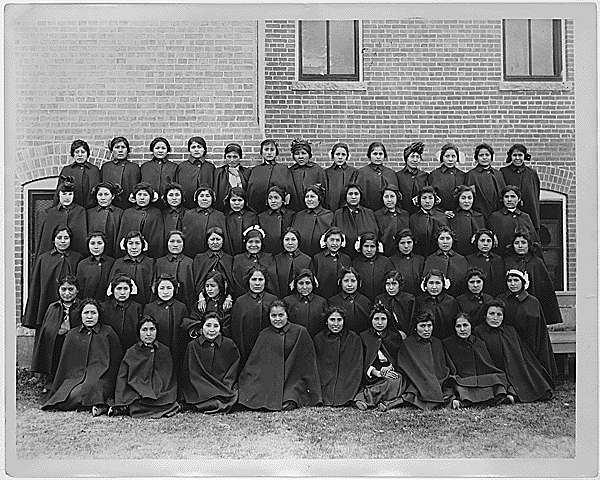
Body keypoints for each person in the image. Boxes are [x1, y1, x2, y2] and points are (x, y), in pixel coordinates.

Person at [42, 298, 123, 416]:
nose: (89, 316)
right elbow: (64, 367)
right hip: (75, 379)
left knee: (90, 389)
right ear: (81, 315)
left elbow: (117, 361)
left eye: (93, 313)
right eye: (86, 313)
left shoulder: (108, 332)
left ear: (99, 315)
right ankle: (97, 405)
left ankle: (100, 405)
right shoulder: (72, 335)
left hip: (101, 379)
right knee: (66, 399)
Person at [238, 300, 322, 411]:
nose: (277, 319)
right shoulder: (264, 334)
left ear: (287, 315)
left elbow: (306, 363)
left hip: (294, 377)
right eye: (273, 315)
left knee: (292, 393)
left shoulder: (300, 332)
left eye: (281, 315)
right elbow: (256, 363)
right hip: (270, 378)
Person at [474, 299, 554, 403]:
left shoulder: (510, 331)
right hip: (491, 369)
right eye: (491, 314)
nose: (495, 318)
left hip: (511, 369)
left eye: (499, 315)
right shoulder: (478, 331)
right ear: (485, 315)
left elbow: (521, 356)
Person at [111, 315, 180, 418]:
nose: (148, 334)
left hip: (159, 391)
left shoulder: (164, 350)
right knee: (136, 403)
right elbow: (123, 377)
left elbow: (169, 377)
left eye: (152, 329)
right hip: (138, 392)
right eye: (144, 330)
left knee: (166, 401)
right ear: (139, 332)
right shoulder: (131, 352)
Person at [442, 313, 514, 407]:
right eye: (458, 326)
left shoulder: (478, 342)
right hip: (462, 379)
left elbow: (488, 365)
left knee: (496, 378)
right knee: (456, 385)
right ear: (454, 328)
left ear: (471, 326)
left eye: (465, 325)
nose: (462, 329)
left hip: (481, 377)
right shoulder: (447, 343)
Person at [498, 269, 558, 378]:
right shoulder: (501, 299)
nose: (512, 284)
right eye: (509, 280)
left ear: (523, 282)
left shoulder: (533, 301)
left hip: (530, 344)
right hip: (508, 344)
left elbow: (539, 328)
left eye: (516, 280)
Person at [22, 225, 83, 331]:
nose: (63, 241)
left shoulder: (77, 258)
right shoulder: (44, 259)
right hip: (48, 307)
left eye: (66, 238)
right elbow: (36, 287)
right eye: (59, 238)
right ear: (53, 240)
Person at [30, 275, 83, 392]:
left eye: (71, 289)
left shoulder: (81, 307)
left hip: (74, 343)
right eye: (63, 289)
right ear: (58, 290)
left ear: (77, 290)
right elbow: (48, 329)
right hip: (57, 342)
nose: (67, 293)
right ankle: (51, 382)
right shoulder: (53, 307)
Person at [396, 310, 457, 410]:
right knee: (415, 392)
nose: (427, 330)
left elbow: (443, 365)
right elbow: (405, 366)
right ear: (416, 327)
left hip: (438, 380)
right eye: (422, 326)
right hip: (417, 380)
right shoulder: (408, 344)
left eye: (429, 325)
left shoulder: (437, 343)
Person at [181, 311, 240, 413]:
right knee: (210, 401)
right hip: (200, 387)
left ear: (220, 328)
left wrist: (227, 383)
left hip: (223, 385)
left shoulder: (229, 344)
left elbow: (234, 368)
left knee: (230, 397)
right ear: (202, 327)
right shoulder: (193, 346)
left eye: (216, 326)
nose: (212, 330)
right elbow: (190, 373)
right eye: (208, 325)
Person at [353, 303, 405, 412]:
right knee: (383, 383)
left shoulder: (394, 337)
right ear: (371, 320)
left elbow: (399, 358)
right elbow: (362, 360)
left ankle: (368, 399)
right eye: (376, 319)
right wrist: (377, 372)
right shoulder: (364, 336)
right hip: (372, 374)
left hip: (389, 371)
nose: (380, 323)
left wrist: (390, 367)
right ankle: (375, 400)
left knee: (396, 380)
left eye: (383, 319)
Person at [504, 231, 563, 326]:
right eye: (516, 243)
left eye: (523, 243)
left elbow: (544, 288)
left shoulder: (536, 262)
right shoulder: (507, 262)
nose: (520, 246)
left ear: (529, 244)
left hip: (531, 307)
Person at [143, 273, 192, 384]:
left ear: (174, 289)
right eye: (162, 288)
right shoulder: (149, 308)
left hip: (177, 348)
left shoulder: (181, 307)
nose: (165, 292)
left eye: (169, 288)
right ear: (156, 290)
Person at [313, 306, 364, 407]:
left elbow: (356, 366)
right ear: (326, 321)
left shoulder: (354, 338)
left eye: (339, 320)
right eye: (332, 320)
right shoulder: (318, 338)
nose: (336, 324)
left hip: (346, 382)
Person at [230, 265, 278, 367]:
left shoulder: (272, 300)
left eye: (260, 279)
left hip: (269, 349)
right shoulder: (240, 302)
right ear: (248, 281)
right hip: (247, 351)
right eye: (254, 279)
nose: (257, 283)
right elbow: (236, 332)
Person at [38, 179, 88, 257]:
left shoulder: (80, 211)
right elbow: (46, 241)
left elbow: (81, 239)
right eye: (64, 194)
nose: (67, 197)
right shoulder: (51, 213)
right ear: (59, 194)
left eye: (70, 194)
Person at [117, 182, 165, 259]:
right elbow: (123, 234)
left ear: (151, 197)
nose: (142, 198)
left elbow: (157, 238)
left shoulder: (156, 213)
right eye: (139, 195)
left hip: (149, 255)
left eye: (145, 195)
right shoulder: (128, 212)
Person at [488, 185, 539, 256]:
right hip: (502, 257)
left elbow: (533, 239)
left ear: (518, 199)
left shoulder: (525, 217)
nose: (509, 200)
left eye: (513, 196)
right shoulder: (495, 217)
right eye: (506, 197)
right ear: (502, 199)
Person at [246, 139, 294, 214]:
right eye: (266, 149)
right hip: (259, 210)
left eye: (272, 150)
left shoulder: (283, 169)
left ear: (276, 152)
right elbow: (251, 190)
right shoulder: (255, 170)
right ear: (261, 152)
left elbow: (289, 188)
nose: (269, 153)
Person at [500, 143, 541, 232]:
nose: (517, 158)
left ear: (524, 156)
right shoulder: (503, 172)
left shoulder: (531, 173)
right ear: (510, 156)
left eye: (520, 155)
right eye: (515, 155)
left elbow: (535, 195)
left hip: (529, 213)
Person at [333, 183, 379, 259]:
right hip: (345, 256)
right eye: (350, 194)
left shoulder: (369, 213)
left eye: (356, 194)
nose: (353, 197)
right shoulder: (338, 214)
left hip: (366, 257)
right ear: (345, 196)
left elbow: (375, 233)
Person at [109, 231, 155, 305]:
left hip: (145, 303)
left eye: (137, 243)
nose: (134, 247)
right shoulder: (118, 263)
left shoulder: (150, 262)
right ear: (126, 245)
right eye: (130, 243)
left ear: (142, 245)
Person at [181, 185, 227, 258]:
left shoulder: (220, 216)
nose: (204, 199)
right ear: (196, 198)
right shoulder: (188, 214)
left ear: (212, 199)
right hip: (192, 255)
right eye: (201, 196)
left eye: (207, 196)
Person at [423, 226, 470, 298]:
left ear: (452, 240)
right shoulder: (430, 259)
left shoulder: (461, 259)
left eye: (448, 238)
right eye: (442, 239)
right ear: (437, 241)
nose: (445, 242)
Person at [413, 269, 459, 341]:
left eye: (438, 283)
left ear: (443, 284)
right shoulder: (418, 301)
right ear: (425, 284)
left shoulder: (450, 301)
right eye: (431, 283)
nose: (434, 287)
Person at [154, 230, 195, 310]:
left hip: (186, 305)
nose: (175, 245)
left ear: (183, 244)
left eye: (179, 241)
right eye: (172, 241)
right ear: (167, 243)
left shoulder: (190, 262)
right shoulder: (159, 262)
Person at [55, 139, 101, 210]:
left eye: (83, 152)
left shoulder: (94, 170)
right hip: (71, 210)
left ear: (87, 153)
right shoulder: (67, 170)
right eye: (77, 152)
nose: (80, 155)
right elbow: (59, 191)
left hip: (91, 210)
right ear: (73, 154)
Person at [353, 141, 399, 212]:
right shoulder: (362, 172)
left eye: (380, 154)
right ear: (369, 155)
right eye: (375, 154)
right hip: (367, 212)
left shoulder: (391, 173)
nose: (378, 156)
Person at [464, 143, 506, 219]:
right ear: (476, 158)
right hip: (479, 215)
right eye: (481, 155)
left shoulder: (498, 174)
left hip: (498, 215)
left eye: (487, 155)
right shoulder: (471, 175)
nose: (484, 158)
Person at [102, 273, 142, 352]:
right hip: (108, 348)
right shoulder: (104, 307)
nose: (122, 293)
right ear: (113, 290)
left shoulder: (137, 307)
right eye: (119, 288)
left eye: (126, 289)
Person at [232, 226, 276, 298]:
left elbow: (272, 281)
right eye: (250, 242)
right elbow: (237, 282)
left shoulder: (269, 258)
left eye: (257, 242)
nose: (253, 245)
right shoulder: (238, 259)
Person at [291, 184, 334, 257]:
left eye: (312, 196)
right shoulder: (299, 215)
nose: (309, 199)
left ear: (319, 198)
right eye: (307, 197)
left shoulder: (329, 215)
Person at [192, 226, 235, 299]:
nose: (215, 242)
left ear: (222, 241)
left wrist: (229, 297)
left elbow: (231, 282)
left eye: (218, 239)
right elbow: (198, 281)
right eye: (212, 239)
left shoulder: (229, 259)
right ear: (207, 241)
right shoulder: (200, 258)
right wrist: (201, 297)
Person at [309, 227, 352, 300]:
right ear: (325, 241)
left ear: (341, 242)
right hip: (322, 296)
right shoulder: (317, 258)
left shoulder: (346, 259)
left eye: (337, 240)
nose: (334, 243)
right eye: (331, 240)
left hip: (341, 298)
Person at [283, 269, 328, 338]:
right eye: (300, 283)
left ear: (312, 284)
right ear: (296, 284)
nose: (304, 287)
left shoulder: (322, 302)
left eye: (308, 283)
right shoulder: (288, 301)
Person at [101, 136, 141, 211]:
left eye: (123, 147)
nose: (120, 150)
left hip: (129, 206)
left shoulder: (134, 167)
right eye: (117, 147)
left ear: (127, 150)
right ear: (112, 150)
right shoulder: (106, 167)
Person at [327, 267, 372, 334]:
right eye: (346, 281)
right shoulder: (333, 301)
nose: (350, 285)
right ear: (340, 282)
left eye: (353, 281)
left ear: (358, 282)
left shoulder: (365, 301)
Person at [287, 138, 328, 212]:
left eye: (303, 153)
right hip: (296, 211)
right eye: (297, 154)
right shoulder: (290, 172)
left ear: (309, 154)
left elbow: (324, 194)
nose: (300, 157)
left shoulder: (318, 171)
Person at [175, 136, 216, 209]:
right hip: (186, 207)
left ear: (204, 149)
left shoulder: (210, 167)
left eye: (199, 147)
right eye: (193, 147)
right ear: (189, 150)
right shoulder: (182, 167)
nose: (196, 150)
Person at [352, 233, 394, 302]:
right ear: (361, 247)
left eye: (372, 246)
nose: (369, 250)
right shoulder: (355, 262)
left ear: (377, 247)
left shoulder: (386, 262)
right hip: (361, 301)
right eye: (366, 246)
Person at [409, 185, 449, 257]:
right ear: (419, 200)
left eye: (430, 198)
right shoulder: (413, 218)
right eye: (424, 198)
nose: (427, 201)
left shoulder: (442, 217)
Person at [87, 181, 123, 258]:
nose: (103, 198)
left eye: (106, 194)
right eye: (100, 194)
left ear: (112, 196)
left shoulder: (120, 213)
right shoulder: (89, 213)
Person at [272, 228, 311, 299]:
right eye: (287, 239)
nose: (290, 243)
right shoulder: (276, 259)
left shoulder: (307, 260)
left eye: (293, 239)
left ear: (298, 241)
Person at [426, 143, 466, 213]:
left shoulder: (462, 175)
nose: (450, 159)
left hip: (459, 214)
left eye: (453, 156)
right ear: (442, 157)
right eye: (447, 156)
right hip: (438, 214)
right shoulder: (434, 175)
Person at [76, 232, 115, 302]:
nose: (96, 247)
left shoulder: (112, 263)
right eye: (92, 243)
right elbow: (80, 289)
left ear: (104, 244)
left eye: (99, 243)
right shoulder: (82, 264)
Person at [374, 270, 414, 338]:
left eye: (394, 284)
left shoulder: (409, 299)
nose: (391, 288)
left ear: (400, 284)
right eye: (388, 284)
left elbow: (412, 320)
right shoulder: (380, 299)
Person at [466, 229, 505, 297]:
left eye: (489, 241)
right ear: (477, 242)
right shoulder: (469, 259)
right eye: (482, 240)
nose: (485, 244)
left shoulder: (498, 259)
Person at [448, 184, 486, 257]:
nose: (466, 201)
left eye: (469, 198)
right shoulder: (452, 216)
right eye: (463, 198)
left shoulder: (479, 217)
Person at [213, 143, 250, 212]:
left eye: (235, 157)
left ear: (240, 157)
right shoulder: (218, 172)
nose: (232, 160)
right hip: (223, 210)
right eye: (229, 157)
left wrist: (237, 176)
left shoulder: (247, 172)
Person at [257, 185, 295, 255]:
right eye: (270, 198)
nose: (273, 201)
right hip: (268, 254)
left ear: (283, 199)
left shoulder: (291, 215)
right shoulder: (261, 217)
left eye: (276, 198)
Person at [194, 271, 233, 337]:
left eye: (213, 286)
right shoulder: (202, 303)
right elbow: (192, 319)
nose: (209, 289)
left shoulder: (227, 303)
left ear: (220, 286)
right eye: (207, 286)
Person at [374, 185, 410, 256]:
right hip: (385, 253)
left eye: (392, 196)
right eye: (386, 197)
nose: (389, 200)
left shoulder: (405, 214)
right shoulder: (377, 215)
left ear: (397, 197)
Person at [222, 187, 258, 256]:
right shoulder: (224, 216)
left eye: (240, 200)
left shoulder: (252, 216)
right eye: (233, 200)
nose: (236, 203)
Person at [389, 228, 425, 297]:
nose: (406, 246)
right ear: (397, 244)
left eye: (409, 242)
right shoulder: (391, 261)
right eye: (402, 243)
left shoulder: (421, 260)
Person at [140, 137, 178, 202]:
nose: (160, 151)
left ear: (167, 150)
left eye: (163, 148)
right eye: (157, 148)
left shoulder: (174, 167)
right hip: (149, 203)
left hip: (168, 203)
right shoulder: (145, 167)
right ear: (152, 150)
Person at [396, 141, 429, 215]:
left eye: (417, 157)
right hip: (402, 214)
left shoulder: (424, 176)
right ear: (406, 158)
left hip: (420, 215)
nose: (415, 160)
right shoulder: (398, 176)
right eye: (412, 157)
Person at [324, 142, 358, 212]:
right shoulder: (326, 172)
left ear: (347, 156)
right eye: (337, 154)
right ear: (332, 156)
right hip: (330, 209)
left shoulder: (353, 172)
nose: (340, 157)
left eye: (343, 155)